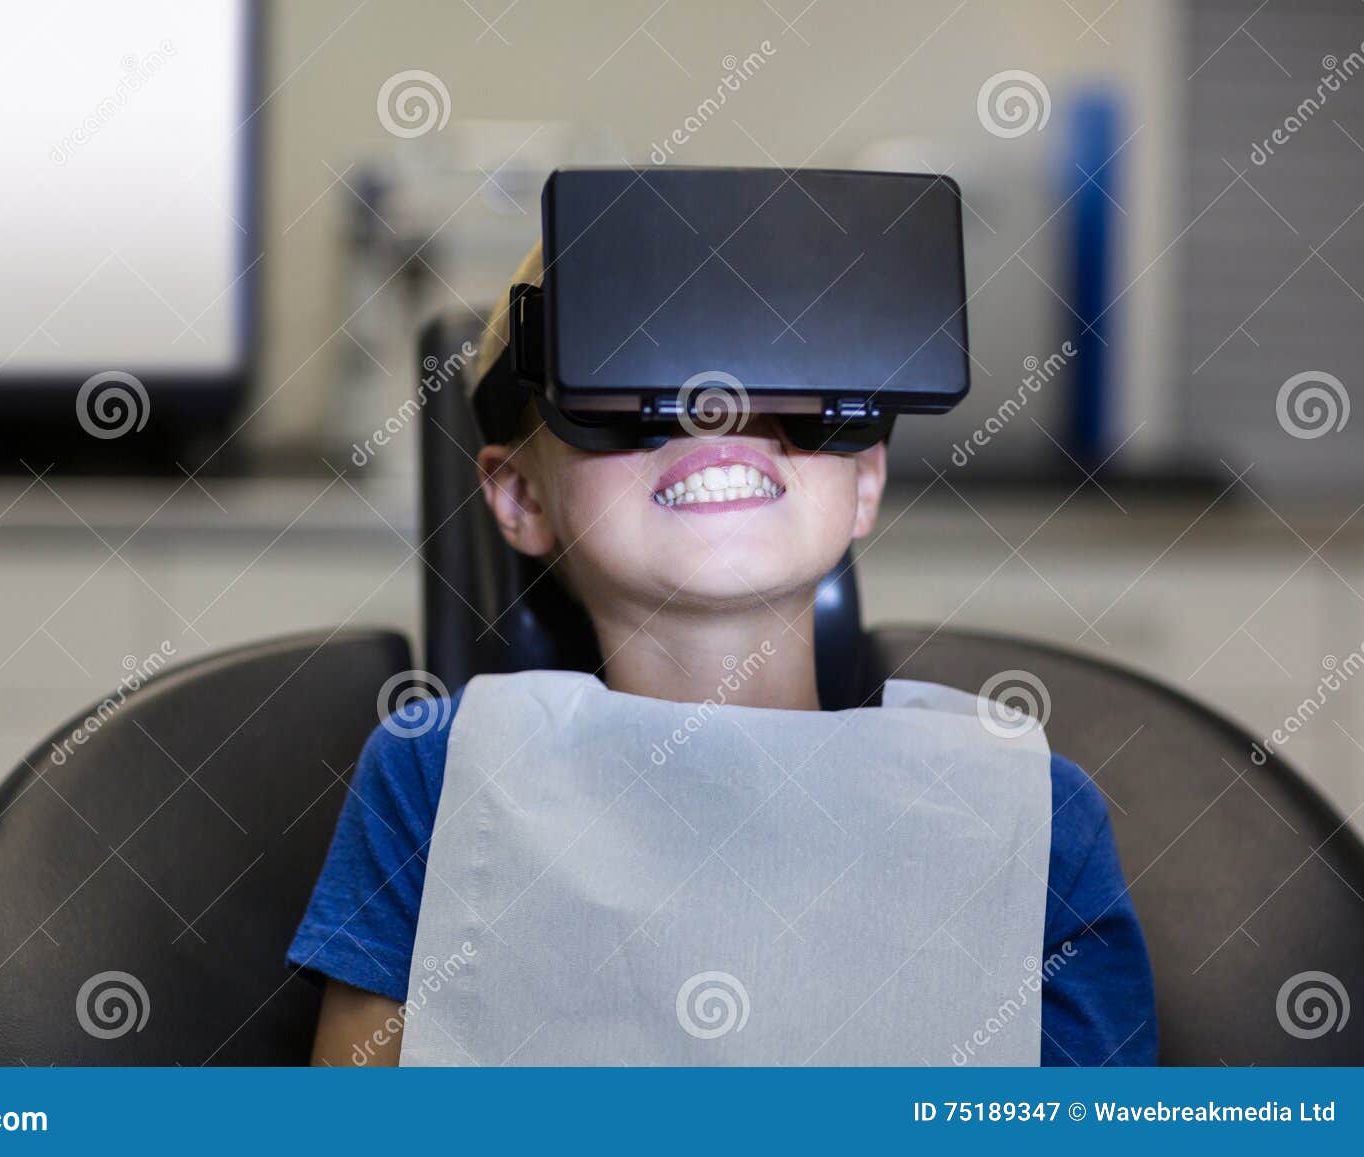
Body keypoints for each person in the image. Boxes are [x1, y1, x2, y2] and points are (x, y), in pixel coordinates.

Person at [289, 241, 1157, 1067]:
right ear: (519, 495)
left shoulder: (1024, 808)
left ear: (865, 477)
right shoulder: (433, 777)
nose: (714, 408)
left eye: (781, 359)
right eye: (625, 373)